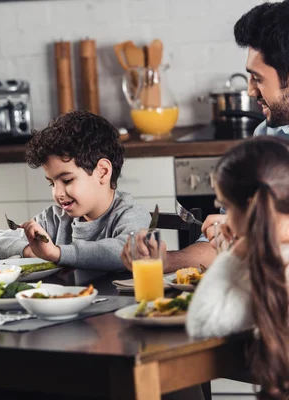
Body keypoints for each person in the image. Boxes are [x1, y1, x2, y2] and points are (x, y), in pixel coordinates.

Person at [122, 0, 289, 273]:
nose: (250, 91)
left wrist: (251, 226)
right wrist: (167, 262)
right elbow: (223, 242)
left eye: (257, 78)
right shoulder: (266, 139)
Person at [0, 110, 151, 284]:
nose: (58, 193)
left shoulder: (131, 214)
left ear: (103, 172)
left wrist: (57, 253)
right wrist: (30, 250)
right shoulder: (55, 219)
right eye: (52, 183)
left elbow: (125, 251)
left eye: (67, 180)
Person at [186, 135, 289, 399]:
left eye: (226, 207)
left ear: (251, 208)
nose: (224, 219)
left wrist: (234, 254)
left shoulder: (270, 264)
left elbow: (203, 323)